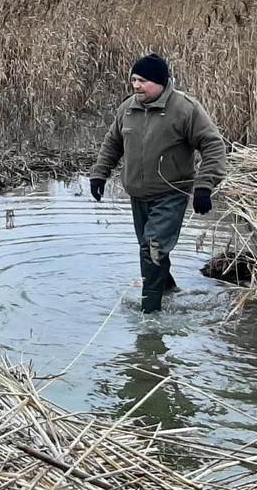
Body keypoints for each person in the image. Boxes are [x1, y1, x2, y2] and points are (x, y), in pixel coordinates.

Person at [89, 54, 226, 313]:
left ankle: (149, 314)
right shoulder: (128, 108)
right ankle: (169, 290)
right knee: (151, 250)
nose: (136, 86)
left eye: (143, 81)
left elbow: (213, 145)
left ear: (161, 82)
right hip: (138, 195)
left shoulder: (185, 109)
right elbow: (112, 143)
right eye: (133, 80)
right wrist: (99, 174)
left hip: (170, 194)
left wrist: (204, 186)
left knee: (152, 248)